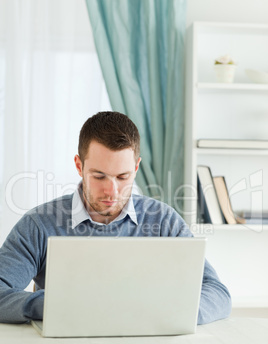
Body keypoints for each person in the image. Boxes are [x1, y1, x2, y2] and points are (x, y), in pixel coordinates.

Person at [0, 111, 231, 324]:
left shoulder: (163, 222)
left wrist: (169, 311)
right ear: (79, 166)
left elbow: (217, 293)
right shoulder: (39, 225)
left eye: (123, 176)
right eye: (99, 176)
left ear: (137, 168)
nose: (112, 191)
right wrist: (53, 304)